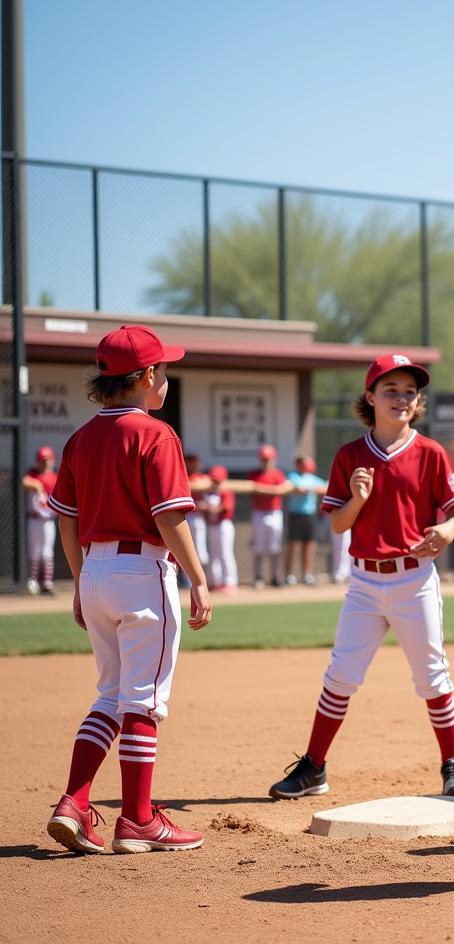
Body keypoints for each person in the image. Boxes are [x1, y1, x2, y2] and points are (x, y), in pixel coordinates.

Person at [267, 353, 454, 801]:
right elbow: (339, 525)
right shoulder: (350, 455)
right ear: (370, 396)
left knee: (433, 677)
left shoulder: (431, 453)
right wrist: (358, 498)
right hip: (364, 582)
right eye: (391, 390)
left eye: (409, 391)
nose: (401, 398)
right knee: (340, 675)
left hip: (414, 579)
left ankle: (453, 766)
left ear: (418, 402)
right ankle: (314, 768)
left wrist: (446, 530)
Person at [45, 324, 212, 855]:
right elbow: (170, 519)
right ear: (144, 377)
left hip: (93, 573)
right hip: (142, 573)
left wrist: (79, 582)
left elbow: (66, 522)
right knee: (143, 700)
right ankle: (139, 820)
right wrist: (199, 579)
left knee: (111, 695)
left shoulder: (79, 438)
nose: (167, 378)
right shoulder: (155, 434)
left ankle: (74, 800)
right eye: (163, 369)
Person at [249, 444, 289, 588]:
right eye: (264, 459)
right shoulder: (255, 474)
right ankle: (258, 577)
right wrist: (272, 490)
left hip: (274, 513)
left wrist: (267, 490)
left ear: (274, 459)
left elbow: (284, 489)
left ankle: (274, 577)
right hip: (259, 512)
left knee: (275, 547)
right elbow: (253, 489)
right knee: (258, 547)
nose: (266, 462)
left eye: (268, 459)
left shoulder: (278, 474)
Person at [284, 456, 327, 585]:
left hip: (310, 515)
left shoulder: (312, 478)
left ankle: (307, 574)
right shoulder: (292, 476)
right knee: (293, 545)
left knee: (308, 545)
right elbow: (293, 487)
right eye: (302, 463)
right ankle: (288, 574)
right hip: (295, 514)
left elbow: (325, 486)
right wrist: (302, 489)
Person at [22, 446, 59, 595]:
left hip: (49, 520)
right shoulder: (33, 474)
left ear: (52, 460)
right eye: (42, 460)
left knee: (47, 552)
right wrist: (37, 486)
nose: (45, 463)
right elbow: (25, 482)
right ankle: (32, 581)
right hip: (35, 519)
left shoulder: (55, 477)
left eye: (47, 460)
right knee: (35, 551)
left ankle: (47, 582)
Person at [204, 465, 238, 591]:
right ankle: (214, 581)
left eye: (217, 480)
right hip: (212, 525)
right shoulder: (208, 491)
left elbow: (226, 507)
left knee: (225, 553)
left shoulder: (226, 491)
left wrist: (209, 508)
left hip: (224, 525)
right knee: (213, 555)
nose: (215, 482)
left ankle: (230, 582)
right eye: (213, 479)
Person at [184, 454, 210, 578]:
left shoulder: (202, 477)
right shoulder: (183, 476)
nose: (194, 465)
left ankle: (203, 578)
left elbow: (207, 484)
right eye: (191, 462)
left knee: (200, 549)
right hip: (184, 517)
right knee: (185, 549)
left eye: (195, 462)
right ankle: (186, 580)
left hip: (197, 517)